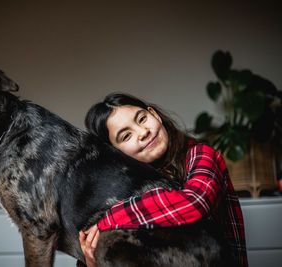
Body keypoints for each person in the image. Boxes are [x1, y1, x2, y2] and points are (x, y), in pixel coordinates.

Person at [77, 93, 247, 267]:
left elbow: (194, 202)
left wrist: (108, 221)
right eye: (126, 136)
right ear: (115, 153)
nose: (143, 132)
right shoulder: (123, 190)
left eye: (142, 119)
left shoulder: (202, 155)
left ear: (154, 114)